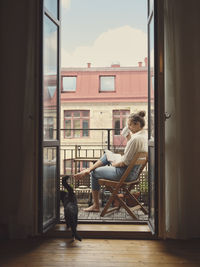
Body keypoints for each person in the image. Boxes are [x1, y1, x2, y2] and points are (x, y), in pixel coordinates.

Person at [73, 111, 148, 212]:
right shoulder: (144, 136)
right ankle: (88, 169)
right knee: (107, 155)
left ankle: (96, 205)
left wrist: (113, 164)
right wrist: (130, 123)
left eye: (130, 124)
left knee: (95, 173)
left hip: (124, 174)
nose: (128, 127)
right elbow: (128, 154)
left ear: (137, 124)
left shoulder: (135, 139)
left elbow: (123, 163)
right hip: (133, 173)